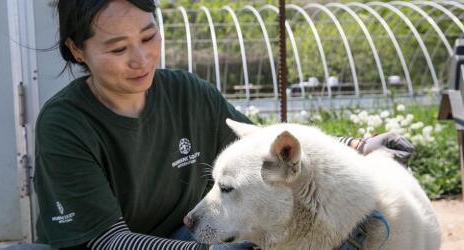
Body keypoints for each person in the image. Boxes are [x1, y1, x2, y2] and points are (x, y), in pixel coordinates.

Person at [27, 0, 414, 249]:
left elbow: (267, 150)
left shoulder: (187, 92)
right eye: (117, 48)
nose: (141, 59)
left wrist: (360, 145)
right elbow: (110, 240)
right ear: (77, 49)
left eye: (148, 36)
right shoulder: (66, 124)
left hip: (193, 233)